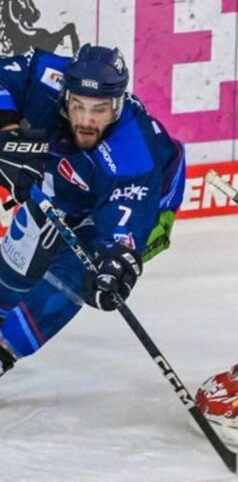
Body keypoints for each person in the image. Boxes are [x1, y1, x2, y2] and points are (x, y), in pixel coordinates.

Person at [0, 44, 186, 378]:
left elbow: (125, 218)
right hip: (67, 184)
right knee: (17, 263)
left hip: (147, 207)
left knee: (76, 275)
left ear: (117, 104)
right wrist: (6, 130)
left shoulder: (132, 153)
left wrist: (118, 261)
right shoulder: (48, 77)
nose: (86, 120)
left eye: (99, 110)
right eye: (78, 106)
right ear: (66, 94)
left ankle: (4, 350)